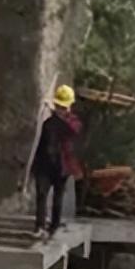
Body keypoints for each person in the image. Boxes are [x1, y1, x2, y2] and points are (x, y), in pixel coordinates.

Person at [31, 84, 82, 239]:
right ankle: (39, 226)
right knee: (41, 194)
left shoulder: (74, 124)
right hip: (45, 165)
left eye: (64, 106)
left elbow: (69, 130)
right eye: (59, 106)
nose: (62, 109)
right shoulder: (49, 123)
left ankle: (54, 227)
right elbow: (41, 144)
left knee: (58, 198)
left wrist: (55, 113)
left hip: (62, 167)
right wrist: (34, 166)